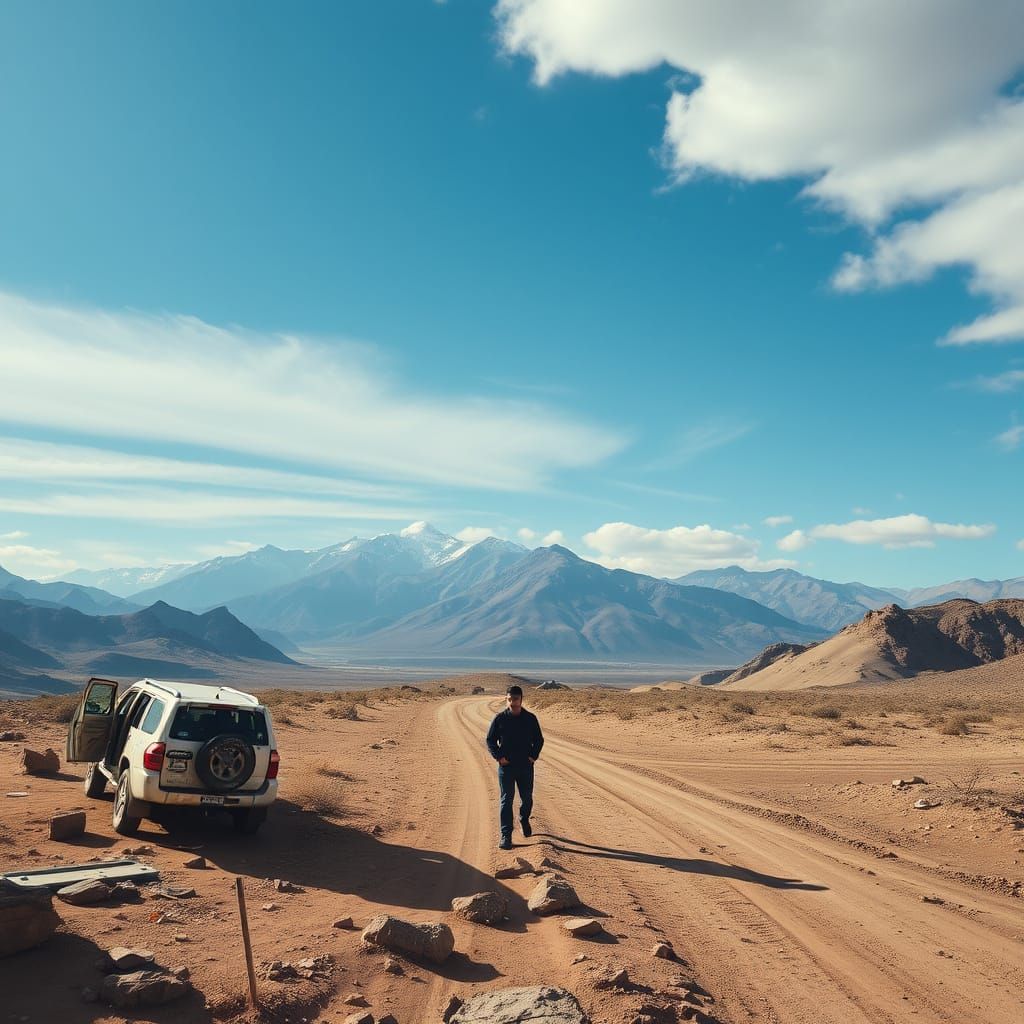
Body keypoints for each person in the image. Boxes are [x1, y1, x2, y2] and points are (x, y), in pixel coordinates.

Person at [485, 683, 544, 850]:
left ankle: (524, 818)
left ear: (521, 700)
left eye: (515, 699)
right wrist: (498, 757)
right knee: (506, 800)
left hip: (525, 767)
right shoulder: (500, 719)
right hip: (507, 767)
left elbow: (539, 740)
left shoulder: (530, 719)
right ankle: (506, 835)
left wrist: (533, 756)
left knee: (527, 798)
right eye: (509, 699)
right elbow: (490, 740)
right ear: (506, 699)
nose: (512, 702)